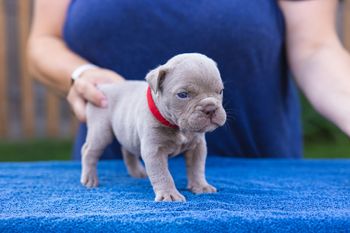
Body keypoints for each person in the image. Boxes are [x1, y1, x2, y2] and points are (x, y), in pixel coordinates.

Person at [28, 0, 350, 159]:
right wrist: (79, 74)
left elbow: (316, 49)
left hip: (258, 176)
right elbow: (43, 42)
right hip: (119, 182)